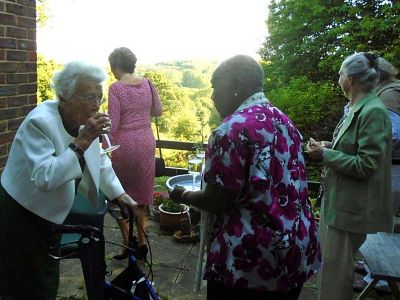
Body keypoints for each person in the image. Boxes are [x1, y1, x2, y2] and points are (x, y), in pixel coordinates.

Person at [169, 55, 322, 300]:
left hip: (251, 260)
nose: (212, 96)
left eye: (214, 86)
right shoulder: (284, 120)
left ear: (237, 84)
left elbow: (218, 201)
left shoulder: (231, 130)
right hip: (295, 249)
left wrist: (182, 194)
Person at [0, 61, 138, 299]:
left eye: (99, 97)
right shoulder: (40, 122)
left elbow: (100, 160)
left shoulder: (84, 122)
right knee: (26, 283)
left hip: (50, 215)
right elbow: (45, 177)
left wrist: (119, 193)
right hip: (22, 213)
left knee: (46, 277)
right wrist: (82, 141)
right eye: (88, 98)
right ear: (64, 96)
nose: (96, 106)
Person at [306, 52, 393, 300]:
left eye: (341, 74)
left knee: (334, 275)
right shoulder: (358, 107)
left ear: (352, 79)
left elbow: (366, 164)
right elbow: (352, 149)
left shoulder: (373, 111)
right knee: (330, 268)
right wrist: (328, 147)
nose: (339, 78)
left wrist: (325, 155)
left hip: (350, 210)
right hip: (339, 204)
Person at [107, 47, 162, 260]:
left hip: (124, 146)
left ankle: (126, 243)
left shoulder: (116, 88)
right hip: (146, 142)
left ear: (115, 67)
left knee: (118, 197)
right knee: (140, 198)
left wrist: (103, 149)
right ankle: (141, 242)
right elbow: (158, 111)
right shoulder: (148, 83)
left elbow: (113, 124)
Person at [353, 57, 400, 293]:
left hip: (393, 167)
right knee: (381, 216)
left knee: (381, 217)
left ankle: (380, 279)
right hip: (390, 165)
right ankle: (373, 267)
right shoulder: (389, 91)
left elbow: (391, 134)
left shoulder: (389, 95)